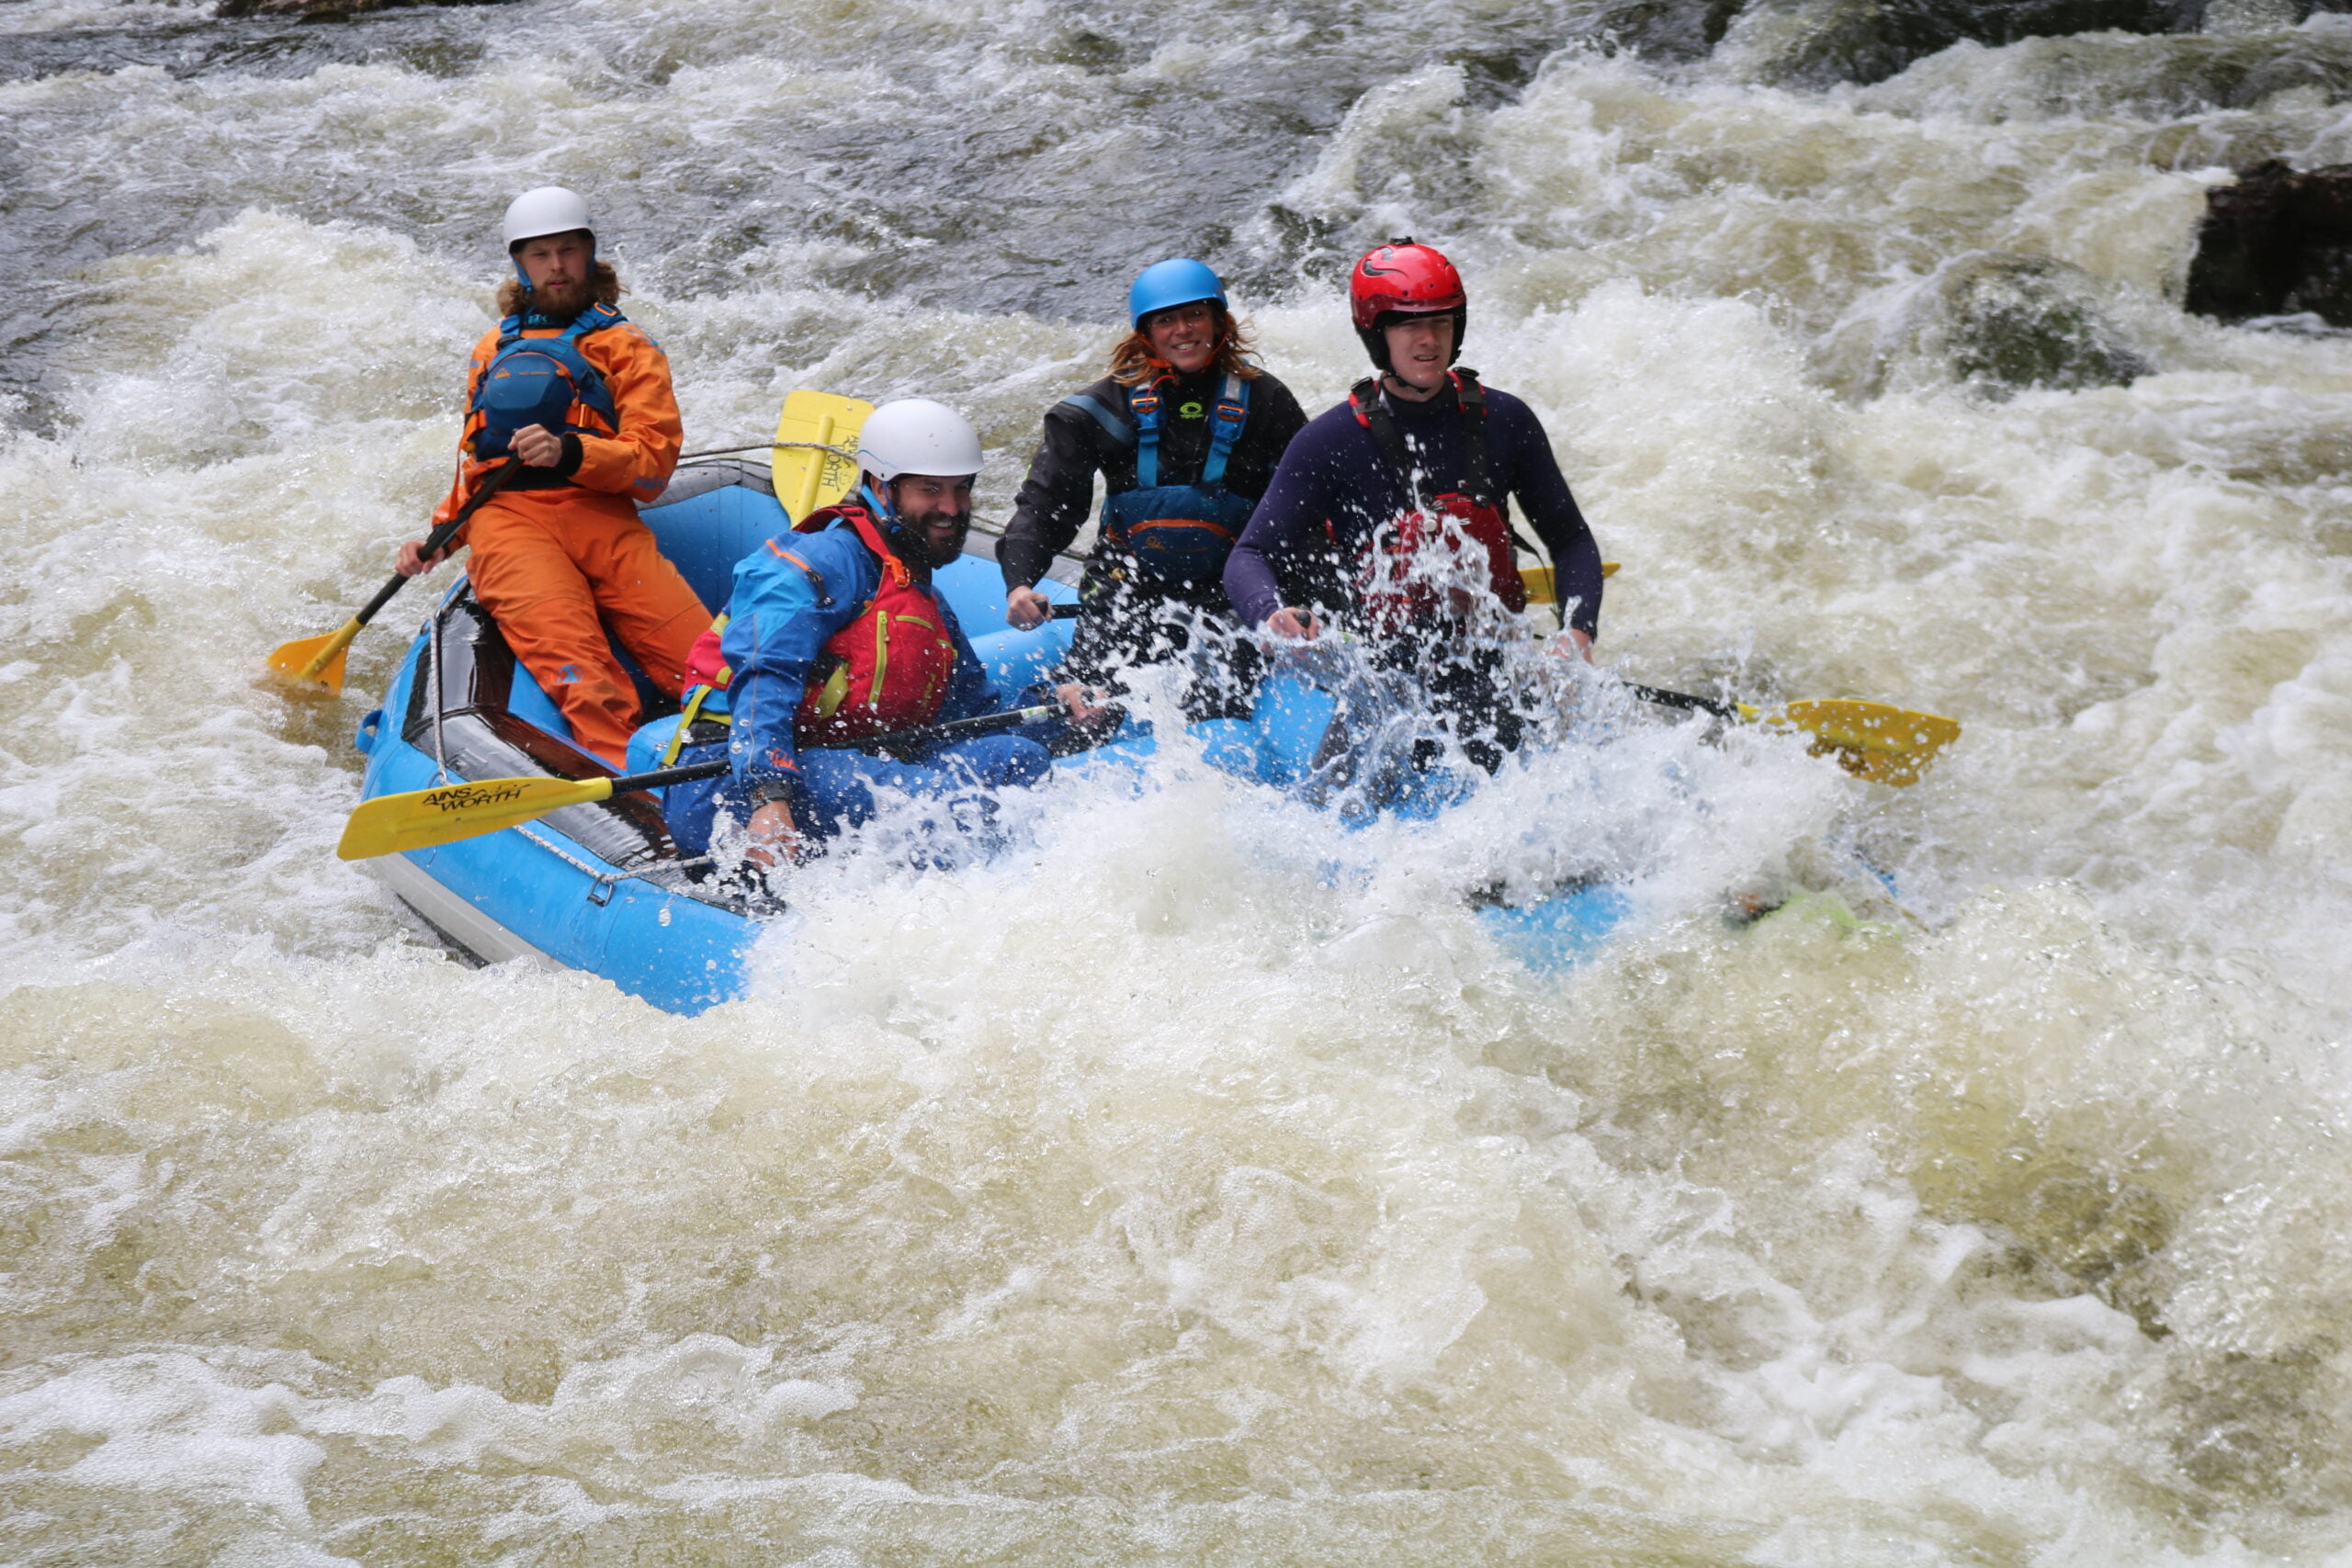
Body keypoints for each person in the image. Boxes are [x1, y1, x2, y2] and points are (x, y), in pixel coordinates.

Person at [1221, 237, 1604, 773]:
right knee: (1331, 799)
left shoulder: (1507, 420)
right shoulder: (1329, 440)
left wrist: (1577, 632)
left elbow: (1570, 539)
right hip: (1384, 678)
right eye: (1407, 325)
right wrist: (1272, 613)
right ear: (1376, 335)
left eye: (1443, 323)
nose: (1428, 340)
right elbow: (1250, 555)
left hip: (1495, 664)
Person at [660, 399, 1085, 872]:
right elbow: (763, 683)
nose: (951, 508)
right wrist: (769, 797)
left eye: (961, 490)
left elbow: (973, 714)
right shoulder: (815, 563)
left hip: (853, 763)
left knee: (1017, 758)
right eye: (931, 491)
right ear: (882, 488)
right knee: (926, 805)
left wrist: (1055, 711)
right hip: (730, 779)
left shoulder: (922, 598)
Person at [396, 186, 707, 770]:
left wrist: (570, 453)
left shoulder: (628, 348)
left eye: (568, 251)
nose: (557, 266)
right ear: (520, 264)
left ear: (590, 254)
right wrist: (440, 535)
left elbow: (651, 466)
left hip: (600, 513)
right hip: (509, 525)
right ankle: (645, 803)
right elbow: (479, 462)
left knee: (709, 667)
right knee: (587, 684)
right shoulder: (493, 349)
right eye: (541, 255)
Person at [1001, 258, 1307, 720]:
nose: (1183, 330)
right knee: (1092, 707)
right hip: (1129, 582)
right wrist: (1020, 581)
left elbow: (1303, 510)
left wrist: (1301, 596)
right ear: (1145, 333)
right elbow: (1048, 502)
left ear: (1219, 321)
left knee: (1221, 702)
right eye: (1166, 320)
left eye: (1195, 315)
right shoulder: (1097, 410)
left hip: (1227, 586)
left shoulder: (1266, 401)